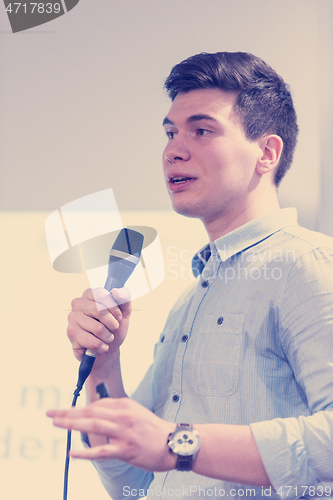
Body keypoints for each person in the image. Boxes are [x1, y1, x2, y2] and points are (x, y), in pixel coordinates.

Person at [47, 52, 333, 499]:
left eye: (202, 130)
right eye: (170, 132)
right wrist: (105, 361)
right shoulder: (192, 298)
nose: (173, 150)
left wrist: (182, 445)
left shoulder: (309, 265)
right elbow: (132, 480)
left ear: (266, 153)